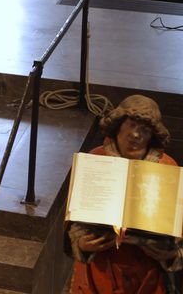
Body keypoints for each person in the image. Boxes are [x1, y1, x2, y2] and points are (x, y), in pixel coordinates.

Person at [66, 95, 183, 293]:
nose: (135, 135)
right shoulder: (96, 159)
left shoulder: (167, 168)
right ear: (119, 124)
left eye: (144, 130)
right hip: (100, 269)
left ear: (152, 135)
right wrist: (81, 244)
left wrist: (169, 254)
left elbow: (178, 235)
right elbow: (73, 222)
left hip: (147, 274)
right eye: (131, 125)